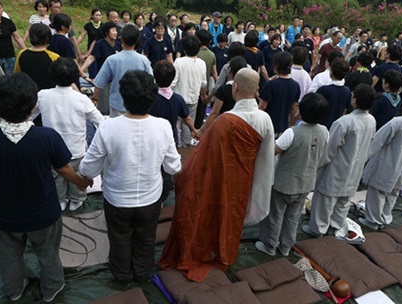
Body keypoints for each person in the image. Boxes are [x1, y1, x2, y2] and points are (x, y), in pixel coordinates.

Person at [0, 73, 91, 302]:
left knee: (9, 257)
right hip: (44, 213)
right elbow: (64, 169)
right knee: (48, 253)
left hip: (6, 215)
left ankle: (14, 290)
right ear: (33, 105)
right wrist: (81, 182)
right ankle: (51, 287)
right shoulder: (46, 137)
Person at [158, 68, 275, 282]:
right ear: (257, 90)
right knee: (233, 216)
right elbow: (267, 158)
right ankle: (225, 254)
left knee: (215, 213)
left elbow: (201, 155)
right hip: (244, 179)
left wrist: (182, 175)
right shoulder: (265, 119)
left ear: (235, 87)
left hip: (218, 177)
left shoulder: (224, 120)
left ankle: (210, 249)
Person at [80, 70, 181, 283]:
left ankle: (122, 275)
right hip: (150, 198)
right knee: (146, 239)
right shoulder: (162, 126)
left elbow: (88, 169)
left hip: (116, 199)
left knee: (119, 238)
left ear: (123, 97)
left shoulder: (108, 127)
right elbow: (173, 166)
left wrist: (86, 177)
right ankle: (142, 273)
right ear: (151, 98)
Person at [256, 93, 329, 256]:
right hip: (306, 183)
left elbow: (272, 152)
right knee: (293, 217)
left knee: (275, 215)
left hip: (284, 183)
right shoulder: (325, 131)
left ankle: (270, 245)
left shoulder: (292, 133)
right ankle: (286, 246)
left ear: (300, 110)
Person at [303, 83, 376, 237]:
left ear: (354, 100)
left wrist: (317, 165)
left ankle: (317, 229)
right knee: (344, 201)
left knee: (324, 201)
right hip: (355, 168)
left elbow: (330, 150)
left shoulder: (344, 122)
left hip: (337, 167)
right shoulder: (371, 120)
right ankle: (335, 226)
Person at [31, 58, 104, 211]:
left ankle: (60, 199)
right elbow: (99, 121)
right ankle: (77, 199)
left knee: (57, 176)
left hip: (52, 149)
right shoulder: (81, 99)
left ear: (52, 75)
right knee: (78, 173)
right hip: (76, 147)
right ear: (75, 77)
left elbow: (30, 117)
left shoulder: (43, 95)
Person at [360, 89, 402, 230]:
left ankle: (373, 221)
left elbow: (377, 141)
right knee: (393, 193)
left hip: (388, 162)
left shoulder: (398, 122)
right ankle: (385, 218)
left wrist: (363, 157)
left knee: (377, 192)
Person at [92, 25, 153, 117]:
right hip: (138, 106)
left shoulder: (112, 59)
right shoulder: (144, 60)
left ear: (121, 39)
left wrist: (95, 98)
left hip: (117, 105)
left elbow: (99, 83)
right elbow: (151, 82)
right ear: (137, 40)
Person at [196, 56, 247, 138]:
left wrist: (201, 130)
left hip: (224, 126)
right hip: (241, 128)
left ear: (229, 71)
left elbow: (214, 113)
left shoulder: (223, 90)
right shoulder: (247, 90)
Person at [150, 60, 196, 147]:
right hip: (171, 139)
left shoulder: (150, 98)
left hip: (153, 139)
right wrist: (193, 130)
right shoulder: (178, 99)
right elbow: (187, 118)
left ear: (154, 76)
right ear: (173, 77)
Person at [171, 35, 207, 147]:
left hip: (178, 98)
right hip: (193, 99)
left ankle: (177, 147)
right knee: (188, 125)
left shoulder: (179, 62)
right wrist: (203, 95)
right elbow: (204, 83)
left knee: (176, 126)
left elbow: (173, 82)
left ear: (184, 48)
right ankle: (185, 151)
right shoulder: (202, 63)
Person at [259, 51, 300, 135]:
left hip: (268, 126)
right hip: (284, 127)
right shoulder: (295, 85)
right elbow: (293, 107)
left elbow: (262, 106)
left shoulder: (271, 85)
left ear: (276, 65)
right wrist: (292, 121)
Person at [14, 23, 58, 91]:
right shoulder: (54, 57)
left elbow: (17, 74)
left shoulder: (22, 53)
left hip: (27, 93)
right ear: (48, 38)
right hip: (48, 94)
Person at [316, 58, 352, 129]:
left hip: (321, 126)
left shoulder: (323, 89)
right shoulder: (347, 91)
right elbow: (345, 110)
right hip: (337, 126)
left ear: (331, 72)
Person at [195, 30, 218, 129]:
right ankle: (198, 129)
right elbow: (214, 72)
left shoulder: (194, 53)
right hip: (206, 86)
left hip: (193, 85)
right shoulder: (211, 54)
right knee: (201, 111)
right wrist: (218, 85)